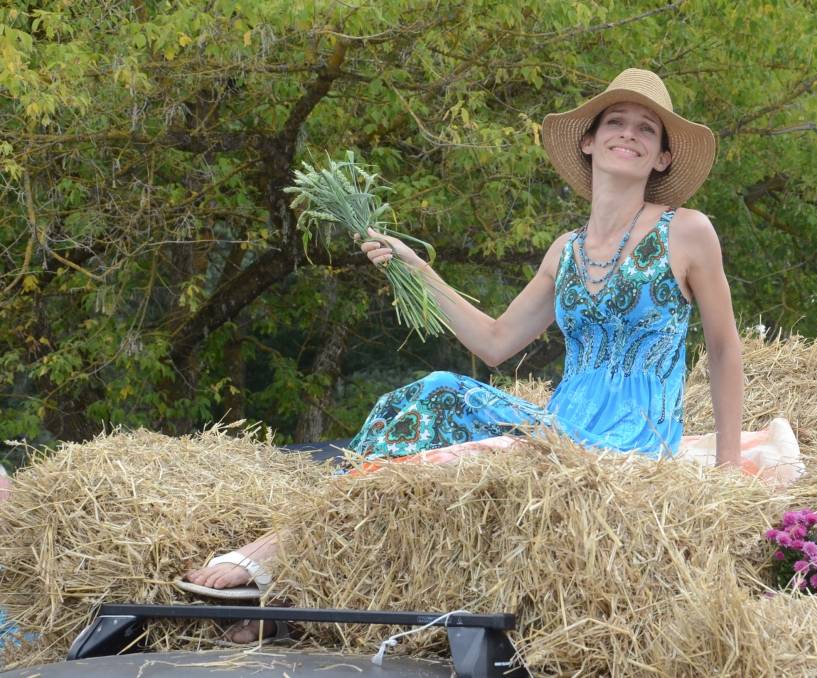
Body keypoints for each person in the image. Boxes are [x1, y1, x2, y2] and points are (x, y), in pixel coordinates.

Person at [179, 68, 769, 641]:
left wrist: (725, 478)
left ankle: (274, 557)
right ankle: (299, 561)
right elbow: (495, 343)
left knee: (459, 458)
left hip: (628, 442)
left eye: (647, 129)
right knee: (432, 394)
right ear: (589, 142)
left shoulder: (687, 231)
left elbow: (724, 349)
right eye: (616, 121)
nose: (629, 134)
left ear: (662, 157)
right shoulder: (564, 251)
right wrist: (417, 268)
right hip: (560, 429)